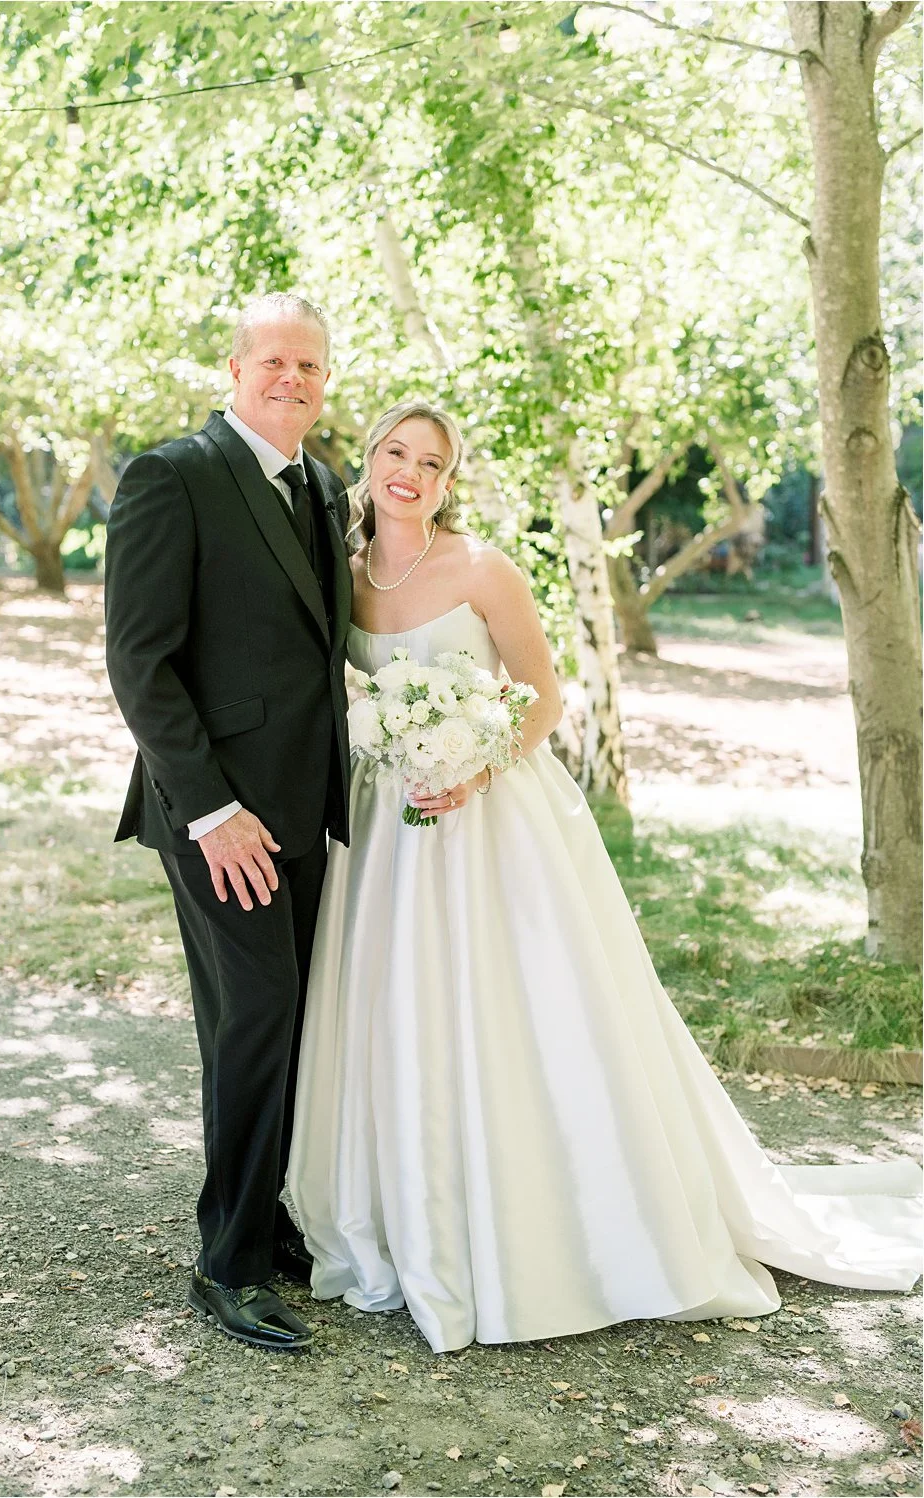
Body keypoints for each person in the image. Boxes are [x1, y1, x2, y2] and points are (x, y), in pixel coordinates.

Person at [285, 400, 924, 1353]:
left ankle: (551, 1226)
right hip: (382, 830)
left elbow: (543, 700)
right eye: (395, 452)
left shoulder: (483, 570)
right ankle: (404, 1210)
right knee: (392, 1011)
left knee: (515, 1013)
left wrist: (473, 762)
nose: (409, 473)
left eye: (431, 461)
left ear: (449, 480)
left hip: (489, 823)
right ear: (369, 459)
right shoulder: (338, 576)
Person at [104, 293, 354, 1349]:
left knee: (289, 1017)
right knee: (255, 1013)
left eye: (307, 364)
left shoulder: (322, 483)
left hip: (308, 802)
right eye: (272, 362)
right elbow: (138, 663)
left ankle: (267, 1220)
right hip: (218, 814)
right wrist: (210, 809)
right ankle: (227, 1262)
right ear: (234, 367)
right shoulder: (174, 475)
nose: (289, 378)